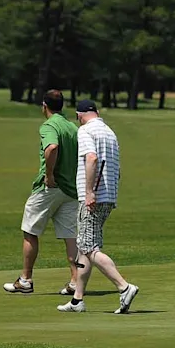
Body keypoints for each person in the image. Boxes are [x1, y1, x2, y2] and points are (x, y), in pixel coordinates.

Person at [57, 100, 140, 314]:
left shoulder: (85, 131)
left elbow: (91, 158)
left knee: (89, 248)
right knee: (85, 246)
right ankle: (77, 300)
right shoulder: (110, 132)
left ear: (79, 115)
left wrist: (89, 192)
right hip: (108, 195)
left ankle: (124, 287)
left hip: (93, 197)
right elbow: (117, 169)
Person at [3, 89, 81, 296]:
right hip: (70, 190)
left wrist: (49, 175)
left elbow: (52, 147)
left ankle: (25, 279)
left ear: (44, 106)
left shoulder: (49, 125)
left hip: (50, 188)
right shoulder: (72, 127)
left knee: (30, 231)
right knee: (70, 236)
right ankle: (76, 281)